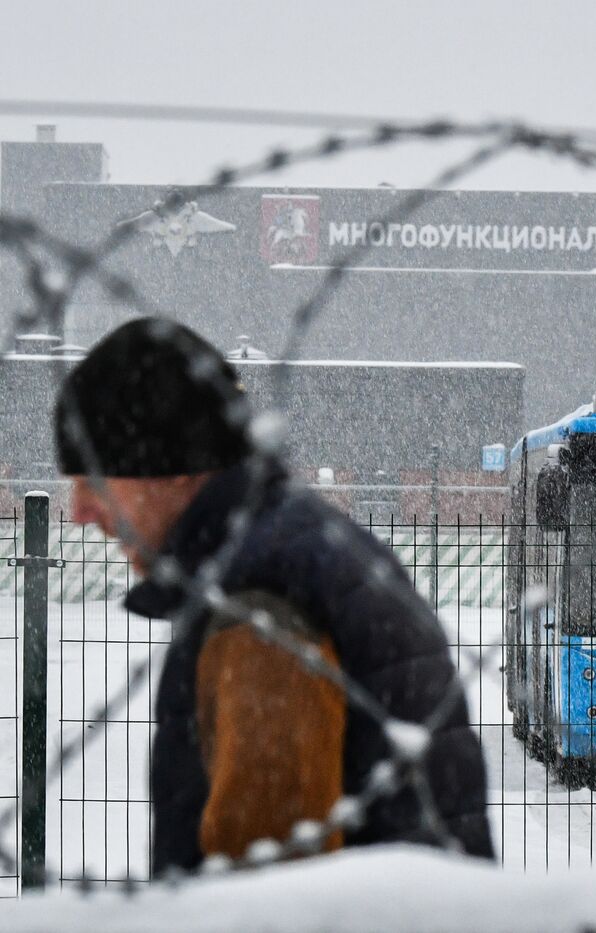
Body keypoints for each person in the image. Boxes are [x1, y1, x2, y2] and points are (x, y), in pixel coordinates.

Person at [54, 317, 494, 875]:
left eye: (94, 481)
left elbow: (263, 888)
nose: (79, 512)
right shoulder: (293, 552)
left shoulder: (261, 605)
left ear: (172, 468)